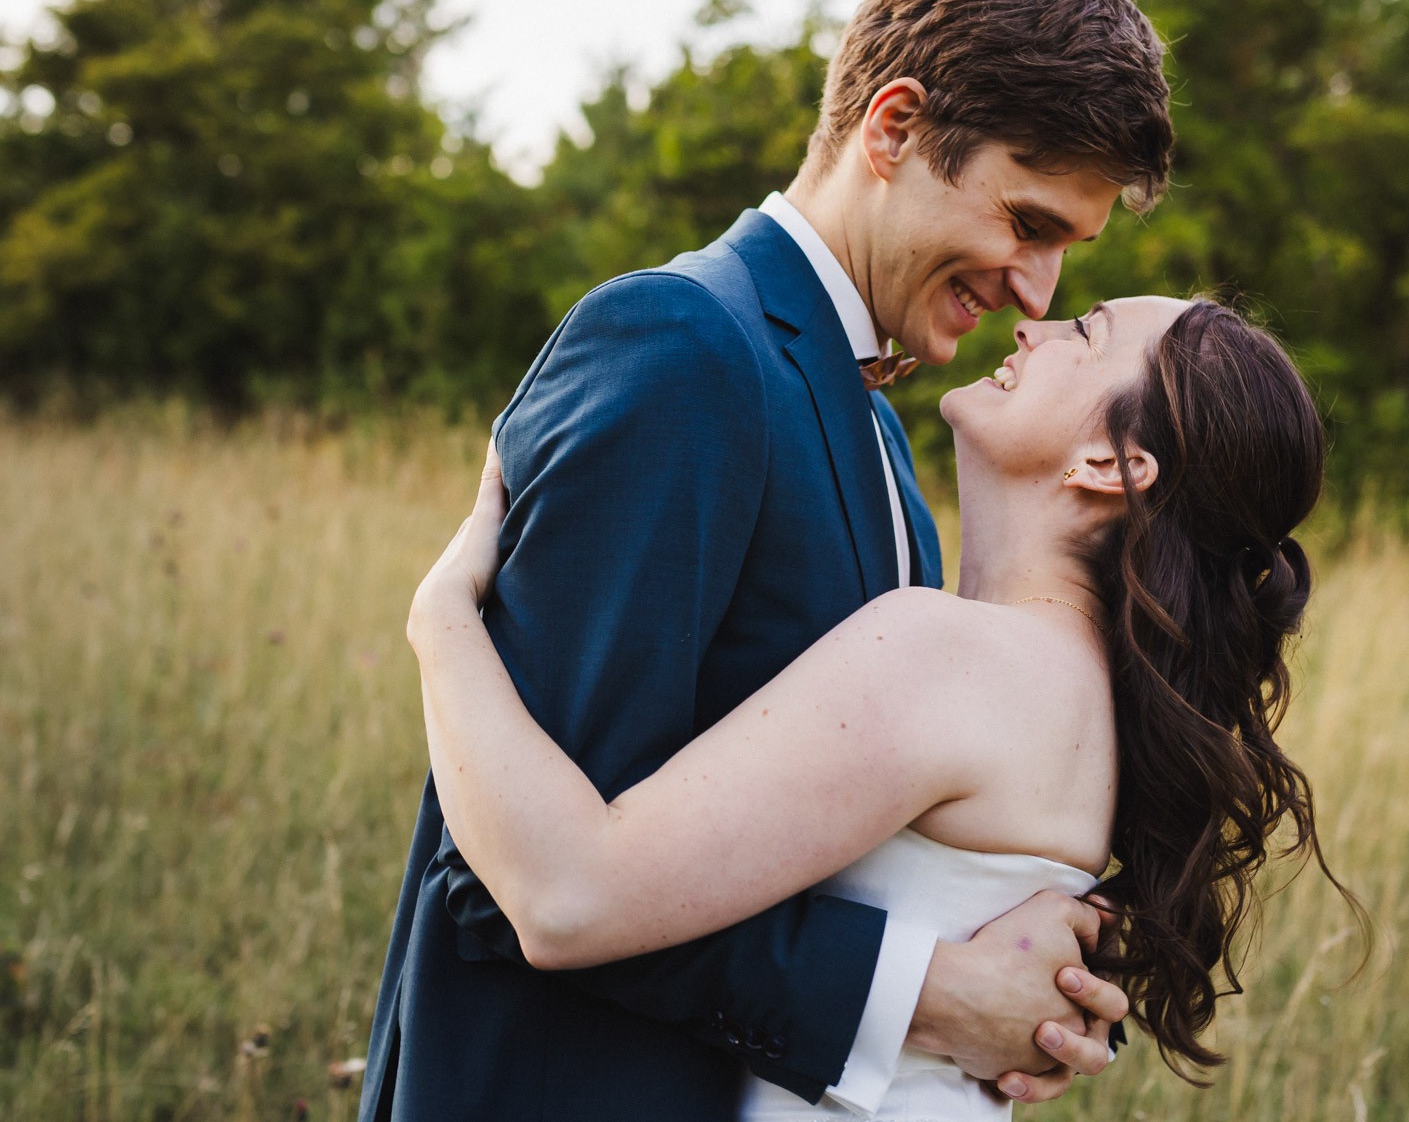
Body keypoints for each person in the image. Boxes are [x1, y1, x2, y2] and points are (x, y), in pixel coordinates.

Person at [359, 0, 1174, 1120]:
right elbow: (510, 870)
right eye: (1028, 221)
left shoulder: (886, 439)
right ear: (895, 128)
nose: (1036, 290)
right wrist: (916, 995)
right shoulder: (684, 346)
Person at [409, 296, 1357, 1121]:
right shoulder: (1074, 690)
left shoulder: (960, 655)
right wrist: (932, 995)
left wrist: (441, 620)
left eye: (1087, 332)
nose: (1038, 322)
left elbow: (569, 899)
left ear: (1115, 465)